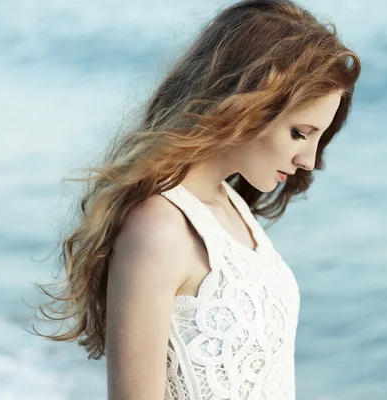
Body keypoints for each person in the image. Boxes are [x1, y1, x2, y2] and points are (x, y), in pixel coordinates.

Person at [33, 0, 360, 398]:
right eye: (299, 133)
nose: (308, 160)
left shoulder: (229, 205)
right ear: (248, 103)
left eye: (317, 137)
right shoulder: (158, 229)